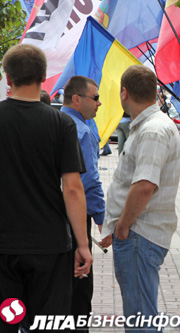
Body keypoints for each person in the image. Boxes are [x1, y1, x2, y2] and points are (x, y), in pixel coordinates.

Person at [0, 44, 92, 333]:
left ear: (7, 78)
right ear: (43, 77)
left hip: (3, 244)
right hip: (49, 245)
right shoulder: (61, 123)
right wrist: (83, 244)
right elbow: (73, 189)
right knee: (49, 325)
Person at [100, 65, 180, 331]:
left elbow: (145, 185)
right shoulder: (149, 126)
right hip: (138, 233)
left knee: (140, 318)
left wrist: (122, 225)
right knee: (140, 314)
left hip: (138, 234)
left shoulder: (152, 130)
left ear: (124, 93)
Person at [61, 75, 106, 326]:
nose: (99, 103)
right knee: (79, 286)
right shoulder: (82, 131)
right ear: (77, 99)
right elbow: (88, 182)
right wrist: (101, 217)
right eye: (96, 98)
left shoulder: (54, 122)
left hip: (46, 218)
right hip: (76, 217)